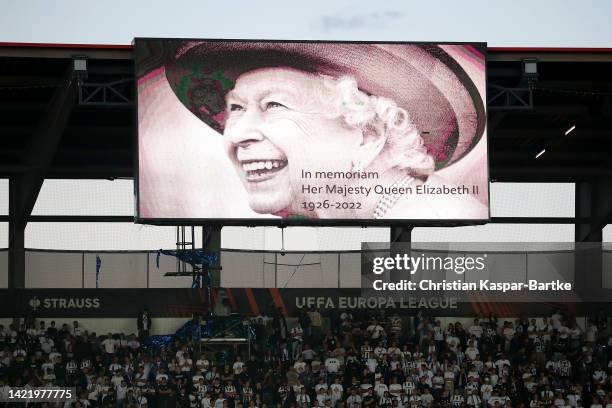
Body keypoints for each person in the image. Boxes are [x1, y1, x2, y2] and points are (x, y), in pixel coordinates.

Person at [159, 41, 488, 220]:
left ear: (368, 136)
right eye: (236, 108)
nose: (236, 134)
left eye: (274, 105)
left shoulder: (443, 220)